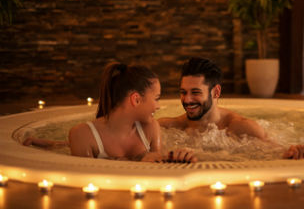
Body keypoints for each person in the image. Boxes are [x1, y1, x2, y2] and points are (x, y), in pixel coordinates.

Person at [23, 62, 197, 163]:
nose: (158, 106)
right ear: (136, 99)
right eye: (157, 98)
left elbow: (158, 164)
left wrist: (177, 157)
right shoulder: (82, 135)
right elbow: (88, 179)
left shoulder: (151, 128)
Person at [158, 57, 304, 159]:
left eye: (195, 92)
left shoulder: (240, 127)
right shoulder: (171, 126)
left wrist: (295, 152)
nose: (187, 100)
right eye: (183, 92)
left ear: (216, 92)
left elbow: (276, 151)